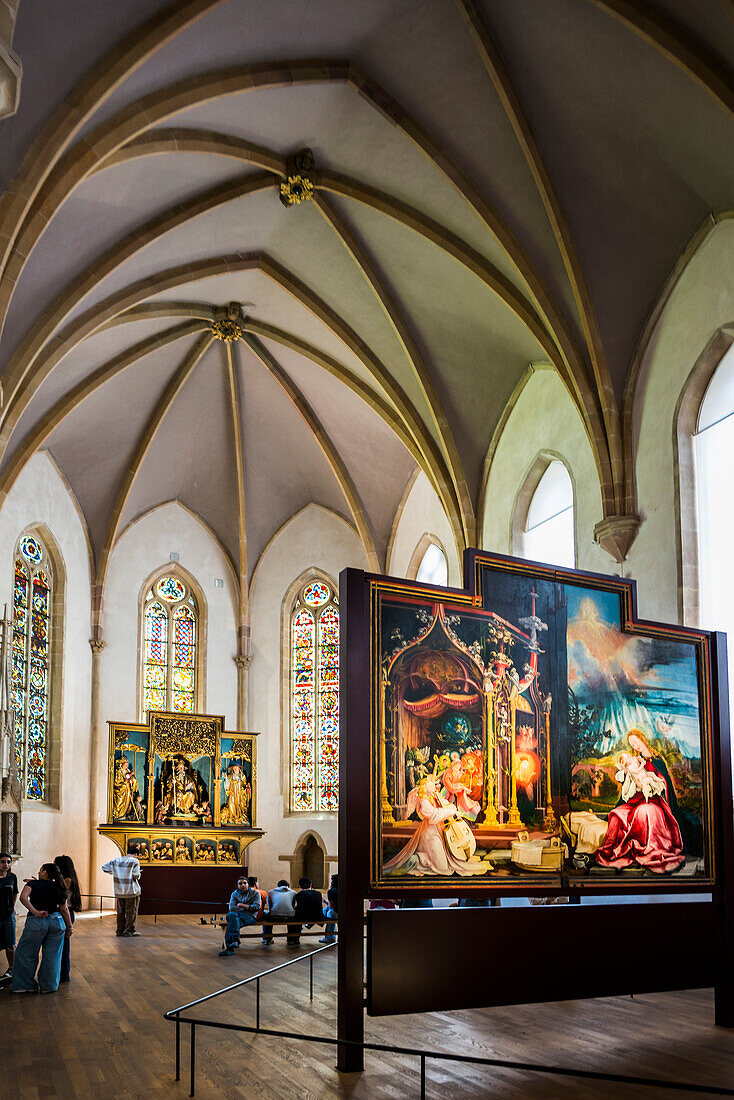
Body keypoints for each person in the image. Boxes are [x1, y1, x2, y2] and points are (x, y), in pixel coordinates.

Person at [595, 739, 685, 874]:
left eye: (636, 741)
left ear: (642, 739)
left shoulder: (655, 761)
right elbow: (629, 784)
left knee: (644, 812)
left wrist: (654, 784)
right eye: (632, 744)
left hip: (654, 802)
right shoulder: (633, 763)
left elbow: (664, 783)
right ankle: (611, 851)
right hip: (636, 801)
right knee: (616, 813)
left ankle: (649, 848)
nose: (635, 746)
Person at [384, 775, 487, 877]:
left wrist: (452, 808)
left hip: (440, 830)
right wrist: (450, 812)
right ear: (425, 787)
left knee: (446, 865)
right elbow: (433, 816)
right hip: (430, 833)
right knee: (442, 868)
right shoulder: (423, 800)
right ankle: (418, 859)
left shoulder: (433, 796)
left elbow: (445, 803)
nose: (434, 785)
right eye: (431, 783)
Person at [12, 863, 72, 993]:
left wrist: (34, 911)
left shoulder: (32, 884)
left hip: (37, 921)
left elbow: (23, 898)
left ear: (44, 872)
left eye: (40, 870)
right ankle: (48, 986)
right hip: (57, 922)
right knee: (52, 956)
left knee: (26, 953)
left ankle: (24, 985)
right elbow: (64, 909)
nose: (39, 872)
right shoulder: (59, 886)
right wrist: (69, 927)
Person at [102, 842, 142, 936]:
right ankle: (128, 931)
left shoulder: (117, 860)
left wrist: (117, 873)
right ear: (135, 854)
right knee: (131, 912)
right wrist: (138, 873)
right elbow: (136, 875)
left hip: (119, 890)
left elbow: (104, 867)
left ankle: (119, 930)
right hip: (131, 890)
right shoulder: (134, 861)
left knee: (120, 912)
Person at [54, 855, 81, 983]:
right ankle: (60, 974)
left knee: (64, 947)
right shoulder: (65, 879)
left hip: (66, 912)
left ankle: (63, 975)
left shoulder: (67, 880)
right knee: (61, 945)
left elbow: (57, 891)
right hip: (64, 912)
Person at [219, 875, 261, 956]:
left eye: (245, 883)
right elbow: (231, 908)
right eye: (240, 883)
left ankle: (230, 948)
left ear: (248, 884)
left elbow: (256, 907)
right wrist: (246, 908)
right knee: (232, 915)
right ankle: (235, 940)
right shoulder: (234, 894)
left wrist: (242, 905)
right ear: (237, 885)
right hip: (236, 915)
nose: (243, 885)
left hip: (249, 916)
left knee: (231, 923)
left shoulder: (255, 893)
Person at [0, 852, 18, 981]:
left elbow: (15, 893)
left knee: (11, 944)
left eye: (8, 862)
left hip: (8, 915)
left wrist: (12, 907)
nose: (6, 864)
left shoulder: (12, 877)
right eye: (2, 862)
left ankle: (12, 969)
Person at [262, 879, 298, 946]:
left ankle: (267, 939)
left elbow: (270, 906)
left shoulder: (271, 892)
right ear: (288, 886)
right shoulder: (293, 892)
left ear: (277, 886)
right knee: (293, 917)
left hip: (274, 915)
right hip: (289, 916)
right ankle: (291, 939)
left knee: (266, 919)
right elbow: (292, 906)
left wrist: (272, 912)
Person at [292, 877, 325, 945]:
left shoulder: (298, 895)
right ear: (310, 885)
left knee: (296, 916)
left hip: (303, 917)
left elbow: (299, 907)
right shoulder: (318, 893)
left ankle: (295, 939)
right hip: (317, 917)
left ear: (300, 886)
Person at [320, 872, 338, 944]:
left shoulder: (331, 891)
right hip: (348, 912)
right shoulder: (347, 889)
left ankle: (330, 937)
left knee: (329, 912)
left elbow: (332, 906)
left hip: (337, 913)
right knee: (328, 910)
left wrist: (325, 902)